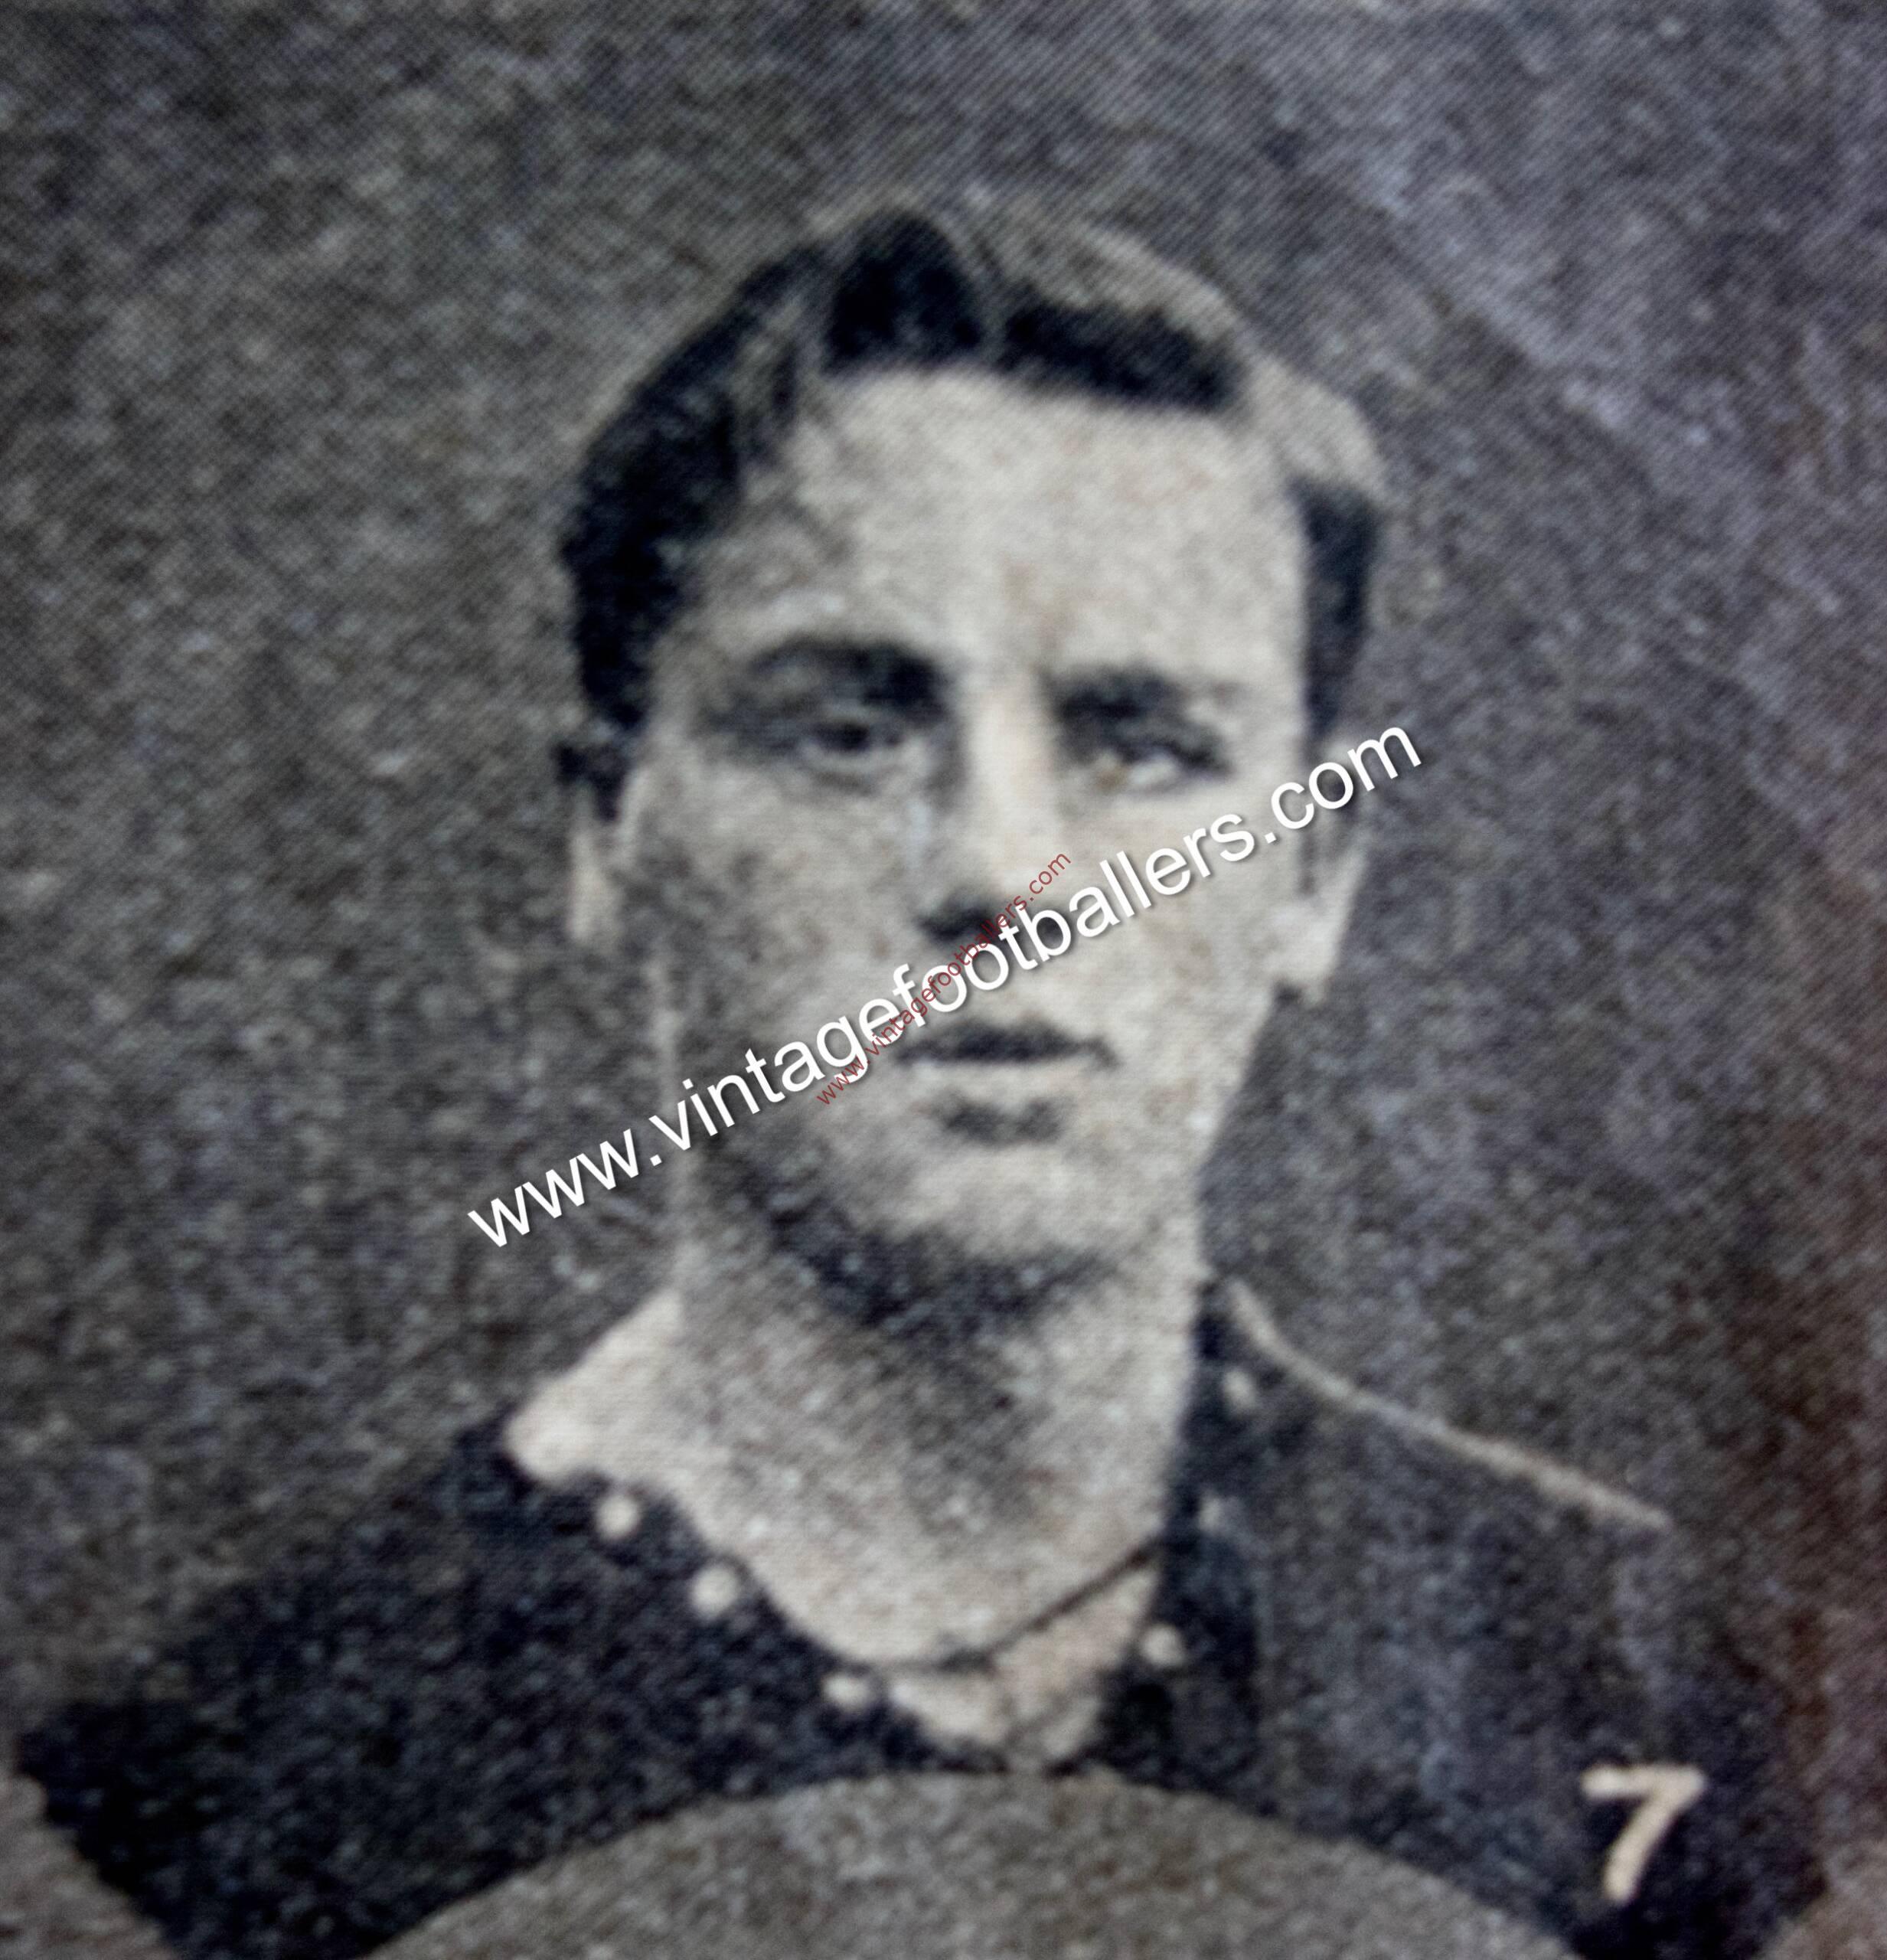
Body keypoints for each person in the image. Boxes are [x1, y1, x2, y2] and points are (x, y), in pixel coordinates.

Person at [18, 201, 1817, 1960]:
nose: (1000, 868)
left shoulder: (1643, 1687)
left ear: (1313, 879)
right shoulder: (199, 1811)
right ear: (610, 829)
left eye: (1143, 743)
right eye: (850, 727)